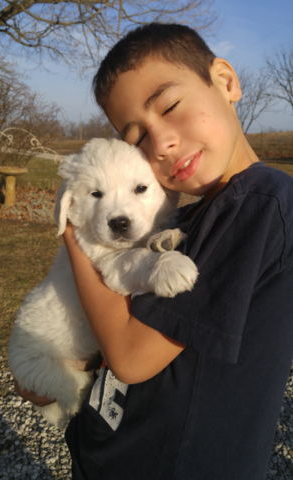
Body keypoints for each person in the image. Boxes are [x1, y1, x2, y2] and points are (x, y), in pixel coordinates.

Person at [15, 23, 293, 479]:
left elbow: (129, 356)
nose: (161, 142)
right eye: (137, 136)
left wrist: (74, 236)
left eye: (171, 106)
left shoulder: (261, 201)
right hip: (110, 450)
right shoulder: (187, 218)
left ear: (225, 81)